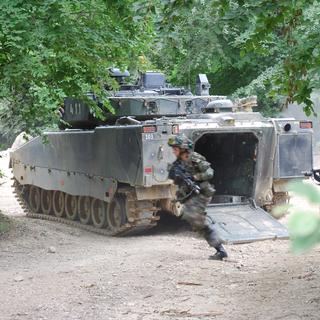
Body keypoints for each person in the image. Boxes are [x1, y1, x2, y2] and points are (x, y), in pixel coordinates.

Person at [168, 134, 228, 260]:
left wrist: (195, 178)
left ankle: (220, 248)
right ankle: (217, 243)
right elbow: (174, 177)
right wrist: (177, 176)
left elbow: (210, 172)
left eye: (176, 148)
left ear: (183, 148)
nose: (173, 150)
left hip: (201, 192)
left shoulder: (195, 158)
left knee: (194, 218)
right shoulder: (178, 163)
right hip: (190, 194)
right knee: (193, 219)